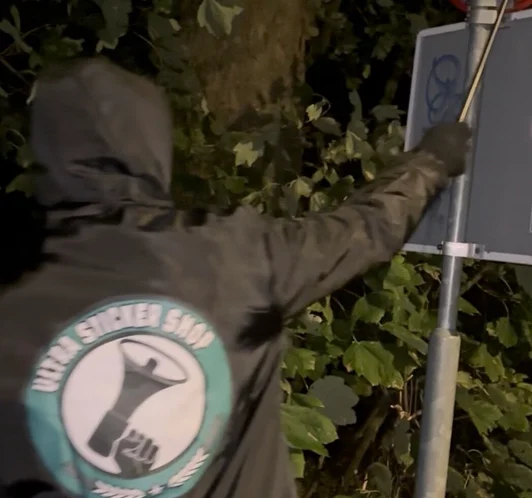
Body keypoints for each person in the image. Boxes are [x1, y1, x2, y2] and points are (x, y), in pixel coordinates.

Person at [0, 58, 471, 498]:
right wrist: (432, 161)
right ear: (152, 143)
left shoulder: (16, 294)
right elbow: (366, 229)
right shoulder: (234, 254)